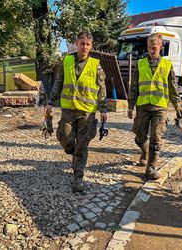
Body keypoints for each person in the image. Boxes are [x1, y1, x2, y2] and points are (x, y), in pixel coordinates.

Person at [45, 31, 107, 193]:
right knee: (64, 138)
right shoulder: (67, 61)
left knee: (82, 145)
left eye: (87, 44)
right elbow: (58, 83)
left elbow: (102, 89)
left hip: (87, 113)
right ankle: (72, 152)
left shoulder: (96, 65)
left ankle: (78, 178)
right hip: (68, 111)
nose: (84, 47)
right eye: (81, 43)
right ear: (76, 44)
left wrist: (103, 108)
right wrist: (50, 103)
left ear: (91, 46)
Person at [127, 32, 182, 180]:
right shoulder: (140, 63)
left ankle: (151, 167)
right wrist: (130, 106)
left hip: (159, 107)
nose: (152, 50)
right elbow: (134, 86)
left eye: (155, 47)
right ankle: (144, 151)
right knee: (139, 136)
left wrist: (177, 106)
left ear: (160, 46)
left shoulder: (167, 64)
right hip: (143, 107)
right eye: (150, 47)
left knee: (156, 138)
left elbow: (172, 87)